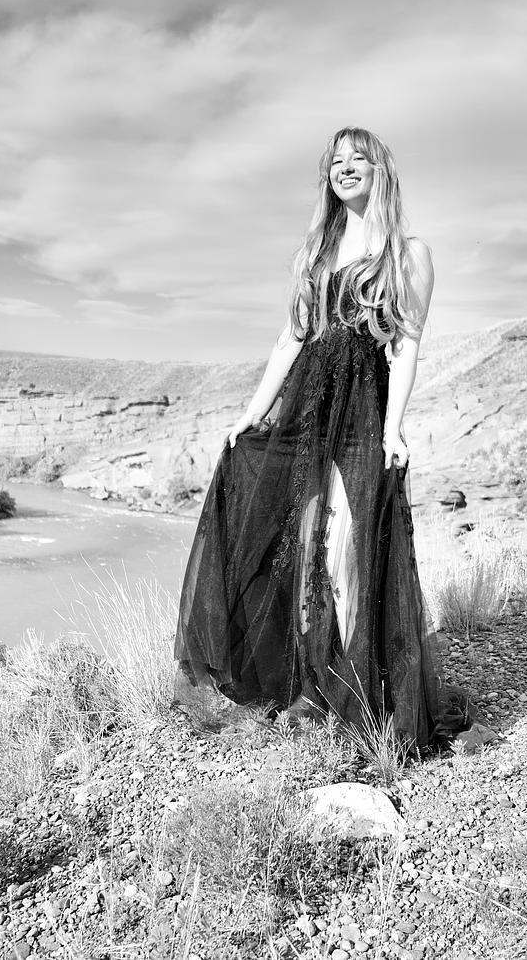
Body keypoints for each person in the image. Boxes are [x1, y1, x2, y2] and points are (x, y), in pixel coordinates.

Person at [173, 127, 447, 749]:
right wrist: (253, 413)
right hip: (305, 406)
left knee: (348, 550)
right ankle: (308, 687)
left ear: (380, 171)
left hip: (362, 408)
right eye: (335, 161)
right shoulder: (318, 253)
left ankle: (356, 697)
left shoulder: (409, 255)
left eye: (358, 159)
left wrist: (393, 428)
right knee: (302, 549)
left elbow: (406, 347)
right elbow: (289, 339)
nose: (345, 168)